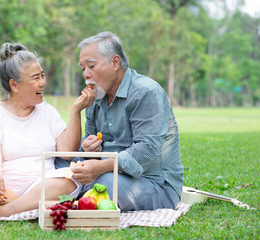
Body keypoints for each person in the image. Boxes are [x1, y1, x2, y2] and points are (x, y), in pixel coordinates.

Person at [0, 42, 96, 218]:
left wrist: (76, 111)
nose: (43, 83)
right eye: (35, 78)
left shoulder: (47, 112)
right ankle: (27, 206)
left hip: (41, 185)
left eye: (42, 76)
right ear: (14, 85)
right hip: (3, 188)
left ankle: (6, 210)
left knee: (71, 178)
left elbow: (67, 152)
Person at [56, 31, 184, 211]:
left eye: (91, 66)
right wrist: (87, 150)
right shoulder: (96, 98)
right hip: (105, 174)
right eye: (83, 68)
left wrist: (100, 167)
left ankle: (71, 193)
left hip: (153, 183)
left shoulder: (146, 92)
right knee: (58, 162)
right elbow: (88, 147)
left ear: (115, 62)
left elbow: (147, 149)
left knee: (104, 184)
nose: (86, 74)